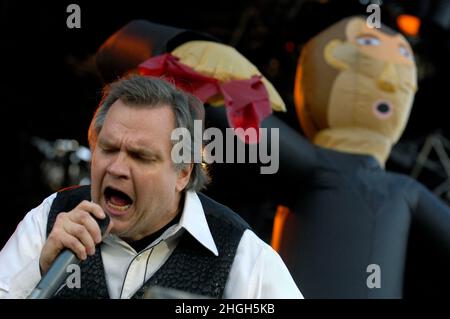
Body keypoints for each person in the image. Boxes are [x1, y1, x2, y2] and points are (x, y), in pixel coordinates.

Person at [0, 75, 302, 299]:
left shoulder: (239, 254)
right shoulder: (50, 220)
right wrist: (39, 271)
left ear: (183, 172)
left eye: (140, 156)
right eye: (108, 148)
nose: (117, 168)